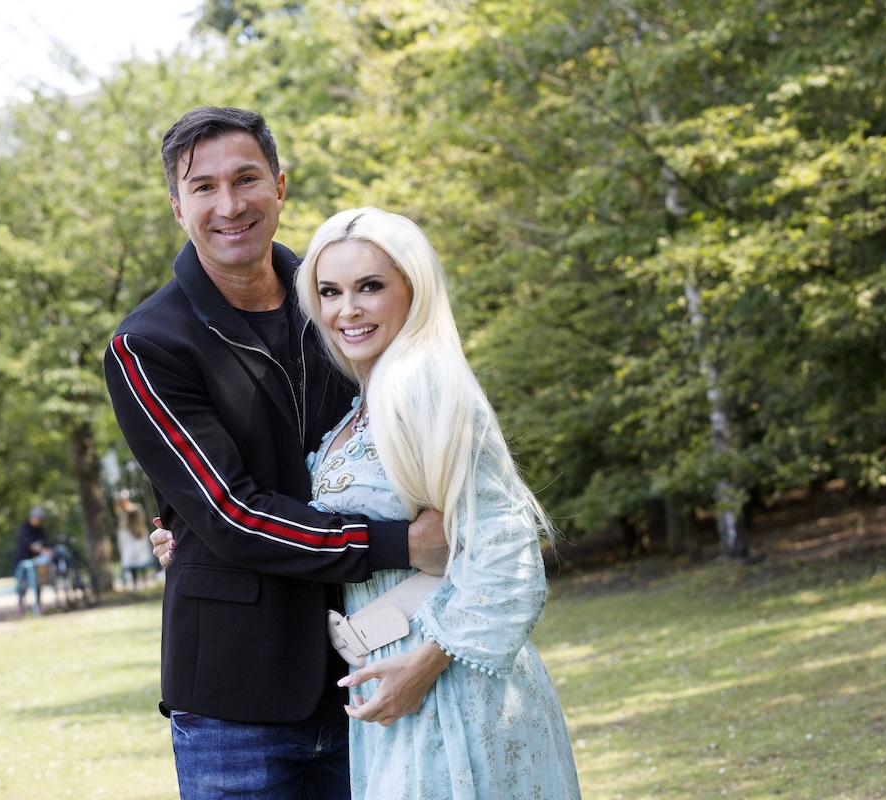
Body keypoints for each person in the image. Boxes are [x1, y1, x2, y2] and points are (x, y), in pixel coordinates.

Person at [103, 106, 446, 800]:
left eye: (246, 179)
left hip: (379, 664)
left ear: (281, 187)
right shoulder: (146, 345)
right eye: (203, 187)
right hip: (239, 698)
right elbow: (230, 516)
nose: (229, 205)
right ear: (177, 205)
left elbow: (413, 443)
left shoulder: (340, 306)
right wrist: (403, 541)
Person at [295, 207, 583, 798]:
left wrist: (422, 666)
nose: (346, 309)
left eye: (369, 287)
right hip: (389, 680)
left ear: (413, 289)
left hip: (451, 680)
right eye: (330, 291)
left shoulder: (426, 384)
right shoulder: (362, 405)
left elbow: (506, 549)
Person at [13, 506, 51, 611]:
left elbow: (46, 542)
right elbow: (30, 545)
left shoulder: (40, 530)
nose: (39, 521)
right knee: (22, 586)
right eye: (38, 518)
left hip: (37, 562)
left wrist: (48, 550)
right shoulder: (25, 528)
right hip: (23, 561)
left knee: (39, 583)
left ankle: (38, 605)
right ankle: (21, 606)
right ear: (32, 517)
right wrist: (43, 550)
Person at [115, 497, 155, 590]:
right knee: (131, 561)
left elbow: (141, 521)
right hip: (128, 539)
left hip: (138, 536)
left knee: (141, 560)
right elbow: (122, 526)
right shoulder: (121, 513)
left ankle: (144, 581)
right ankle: (135, 583)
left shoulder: (135, 509)